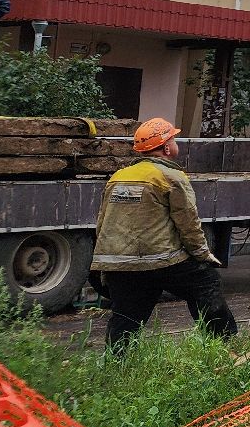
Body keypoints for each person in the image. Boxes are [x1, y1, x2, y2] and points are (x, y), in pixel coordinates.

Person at [90, 117, 238, 354]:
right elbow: (188, 223)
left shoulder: (119, 176)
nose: (176, 143)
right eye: (174, 139)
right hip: (160, 260)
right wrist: (202, 254)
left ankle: (117, 362)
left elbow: (103, 221)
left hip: (118, 264)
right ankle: (224, 347)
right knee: (205, 284)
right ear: (166, 147)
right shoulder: (171, 177)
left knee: (126, 315)